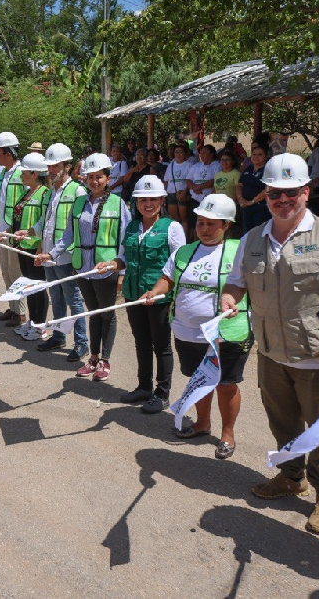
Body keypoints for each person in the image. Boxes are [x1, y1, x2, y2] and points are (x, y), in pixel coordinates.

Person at [220, 153, 319, 535]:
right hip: (269, 352)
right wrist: (230, 297)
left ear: (307, 191)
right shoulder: (252, 238)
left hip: (317, 356)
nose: (282, 200)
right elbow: (237, 282)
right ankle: (291, 476)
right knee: (282, 421)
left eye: (291, 192)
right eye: (274, 194)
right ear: (265, 195)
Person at [142, 194, 253, 459]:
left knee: (226, 384)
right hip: (188, 332)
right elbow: (167, 278)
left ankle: (227, 434)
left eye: (211, 224)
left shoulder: (241, 251)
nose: (204, 229)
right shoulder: (185, 251)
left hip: (227, 335)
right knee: (200, 380)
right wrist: (154, 292)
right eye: (201, 223)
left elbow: (255, 284)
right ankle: (202, 424)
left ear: (226, 226)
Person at [96, 176, 185, 413]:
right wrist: (111, 265)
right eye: (142, 199)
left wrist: (159, 290)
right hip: (134, 295)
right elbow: (124, 257)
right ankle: (144, 386)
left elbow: (180, 264)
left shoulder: (172, 228)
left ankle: (162, 393)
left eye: (153, 199)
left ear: (162, 200)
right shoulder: (132, 227)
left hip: (158, 298)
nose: (148, 204)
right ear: (135, 202)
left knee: (161, 345)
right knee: (141, 341)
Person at [52, 153, 131, 380]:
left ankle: (105, 360)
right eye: (90, 177)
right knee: (93, 314)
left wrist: (121, 272)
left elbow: (125, 240)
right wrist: (52, 253)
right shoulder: (79, 203)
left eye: (99, 177)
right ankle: (93, 357)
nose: (94, 181)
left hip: (106, 270)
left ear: (108, 178)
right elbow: (68, 235)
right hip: (83, 269)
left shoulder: (118, 205)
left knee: (107, 315)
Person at [31, 143, 89, 360]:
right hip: (48, 256)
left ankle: (82, 342)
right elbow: (43, 223)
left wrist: (54, 252)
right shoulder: (49, 192)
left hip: (64, 257)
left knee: (73, 299)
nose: (52, 170)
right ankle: (59, 336)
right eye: (50, 166)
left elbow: (77, 229)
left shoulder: (78, 191)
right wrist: (26, 232)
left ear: (67, 166)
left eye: (56, 166)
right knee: (56, 297)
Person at [8, 153, 51, 340]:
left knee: (38, 287)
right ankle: (33, 321)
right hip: (23, 246)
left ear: (34, 174)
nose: (21, 176)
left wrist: (41, 247)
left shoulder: (44, 194)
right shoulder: (27, 192)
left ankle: (40, 325)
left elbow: (45, 222)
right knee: (29, 286)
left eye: (24, 173)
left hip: (35, 248)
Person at [0, 132, 28, 327]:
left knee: (16, 272)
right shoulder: (4, 173)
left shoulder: (22, 172)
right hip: (3, 230)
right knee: (5, 271)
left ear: (8, 152)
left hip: (15, 232)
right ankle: (13, 308)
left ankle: (21, 313)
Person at [186, 144, 221, 239]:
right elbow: (188, 179)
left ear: (211, 154)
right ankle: (195, 242)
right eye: (201, 152)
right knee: (194, 223)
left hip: (208, 199)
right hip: (195, 198)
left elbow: (215, 180)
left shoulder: (217, 165)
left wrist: (200, 187)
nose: (201, 154)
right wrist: (194, 187)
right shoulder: (196, 165)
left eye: (205, 152)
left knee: (206, 222)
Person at [236, 144, 271, 233]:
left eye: (260, 155)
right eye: (254, 154)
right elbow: (240, 185)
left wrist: (252, 202)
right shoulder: (249, 168)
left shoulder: (268, 170)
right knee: (247, 235)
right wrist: (240, 199)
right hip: (246, 208)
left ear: (266, 157)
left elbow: (268, 189)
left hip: (260, 209)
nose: (256, 157)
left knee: (258, 235)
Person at [164, 143, 193, 237]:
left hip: (183, 194)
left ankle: (184, 240)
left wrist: (184, 192)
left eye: (181, 152)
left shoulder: (189, 165)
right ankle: (177, 238)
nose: (178, 154)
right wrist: (164, 195)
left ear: (185, 154)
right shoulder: (170, 165)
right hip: (171, 193)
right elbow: (166, 181)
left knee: (184, 219)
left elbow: (191, 181)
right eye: (176, 152)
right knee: (175, 219)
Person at [308, 138, 319, 214]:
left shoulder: (317, 151)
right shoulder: (317, 151)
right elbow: (309, 166)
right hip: (316, 184)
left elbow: (309, 167)